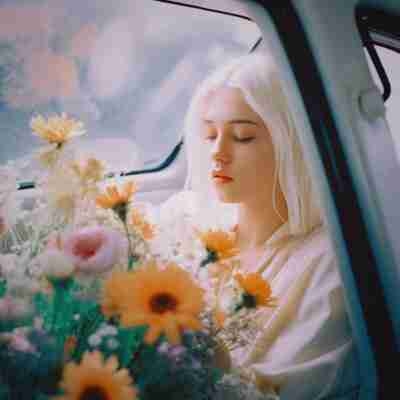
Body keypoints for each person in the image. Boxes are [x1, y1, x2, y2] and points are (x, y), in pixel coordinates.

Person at [159, 51, 360, 399]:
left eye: (242, 137)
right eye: (210, 134)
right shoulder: (184, 219)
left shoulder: (330, 265)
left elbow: (292, 388)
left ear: (292, 142)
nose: (218, 152)